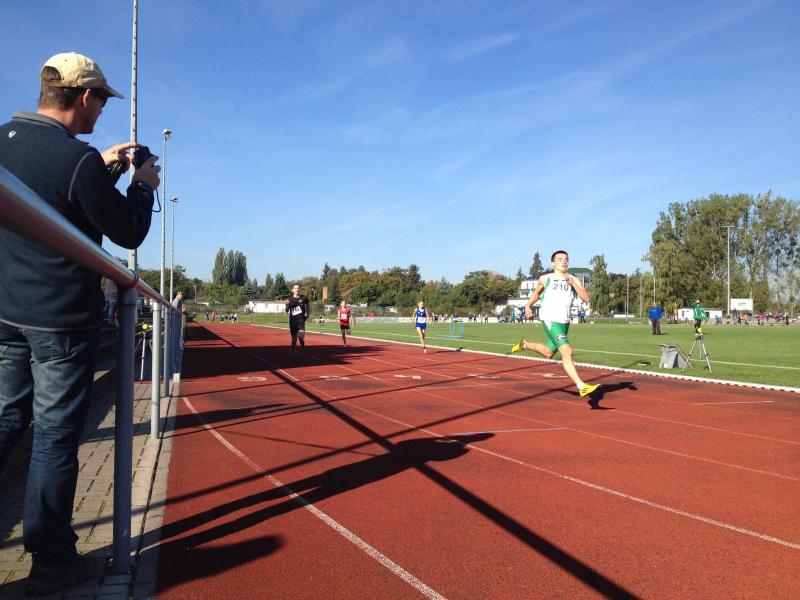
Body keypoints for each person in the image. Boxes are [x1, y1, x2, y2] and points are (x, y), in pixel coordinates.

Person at [0, 52, 160, 596]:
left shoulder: (6, 140)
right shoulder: (76, 159)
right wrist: (142, 184)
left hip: (6, 311)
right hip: (59, 319)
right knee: (53, 438)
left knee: (6, 417)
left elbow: (55, 201)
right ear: (85, 97)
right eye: (102, 102)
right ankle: (51, 564)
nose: (102, 112)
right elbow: (127, 231)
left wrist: (102, 168)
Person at [511, 251, 600, 398]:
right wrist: (528, 306)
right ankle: (581, 386)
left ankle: (524, 345)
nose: (564, 262)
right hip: (550, 318)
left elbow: (586, 298)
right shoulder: (546, 278)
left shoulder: (573, 279)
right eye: (560, 259)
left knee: (548, 352)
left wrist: (573, 284)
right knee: (567, 351)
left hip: (564, 321)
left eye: (566, 259)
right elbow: (537, 293)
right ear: (553, 263)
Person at [285, 284, 310, 358]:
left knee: (301, 335)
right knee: (294, 339)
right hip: (293, 321)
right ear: (292, 290)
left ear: (299, 289)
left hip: (301, 320)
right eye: (295, 288)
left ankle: (301, 340)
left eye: (298, 288)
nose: (297, 289)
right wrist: (287, 305)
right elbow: (286, 310)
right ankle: (294, 353)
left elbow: (308, 305)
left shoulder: (304, 298)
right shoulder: (290, 299)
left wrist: (308, 314)